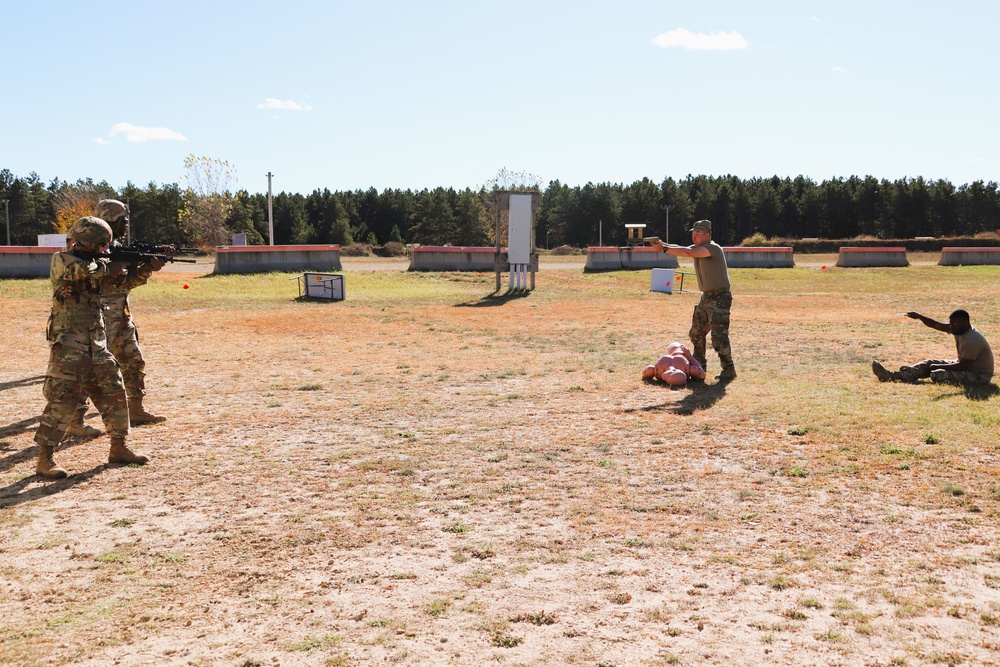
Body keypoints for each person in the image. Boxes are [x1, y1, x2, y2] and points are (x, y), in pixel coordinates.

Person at [34, 216, 149, 479]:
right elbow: (87, 271)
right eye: (101, 245)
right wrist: (110, 263)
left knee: (114, 389)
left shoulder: (100, 262)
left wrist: (142, 267)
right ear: (89, 242)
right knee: (63, 397)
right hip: (69, 342)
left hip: (96, 339)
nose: (104, 250)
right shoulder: (62, 259)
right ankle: (44, 458)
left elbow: (119, 283)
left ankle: (118, 447)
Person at [93, 199, 167, 425]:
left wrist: (147, 268)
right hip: (99, 320)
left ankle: (136, 409)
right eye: (123, 220)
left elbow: (125, 283)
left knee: (133, 361)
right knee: (90, 371)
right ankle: (75, 420)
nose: (126, 225)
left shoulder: (116, 248)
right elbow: (103, 281)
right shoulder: (94, 248)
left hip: (120, 317)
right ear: (111, 219)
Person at [655, 219, 736, 382]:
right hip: (706, 297)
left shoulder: (712, 248)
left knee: (718, 337)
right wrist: (663, 244)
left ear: (708, 235)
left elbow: (687, 253)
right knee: (696, 333)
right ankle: (699, 367)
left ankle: (729, 369)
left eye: (698, 233)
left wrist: (664, 249)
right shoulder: (698, 248)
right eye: (693, 233)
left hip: (719, 297)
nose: (694, 236)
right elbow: (683, 249)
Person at [872, 310, 994, 385]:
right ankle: (892, 375)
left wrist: (939, 366)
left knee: (938, 373)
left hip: (979, 376)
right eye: (951, 323)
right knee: (929, 363)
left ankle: (906, 376)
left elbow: (963, 366)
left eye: (955, 323)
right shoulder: (958, 329)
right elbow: (936, 325)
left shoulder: (972, 339)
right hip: (964, 367)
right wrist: (920, 316)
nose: (952, 326)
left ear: (966, 322)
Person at [642, 342, 707, 386]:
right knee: (677, 347)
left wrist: (649, 372)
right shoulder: (687, 369)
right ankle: (678, 349)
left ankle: (677, 349)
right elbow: (702, 374)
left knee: (649, 370)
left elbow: (645, 373)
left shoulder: (657, 371)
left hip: (676, 351)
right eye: (676, 371)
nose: (674, 369)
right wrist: (690, 356)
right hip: (681, 353)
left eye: (673, 372)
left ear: (664, 376)